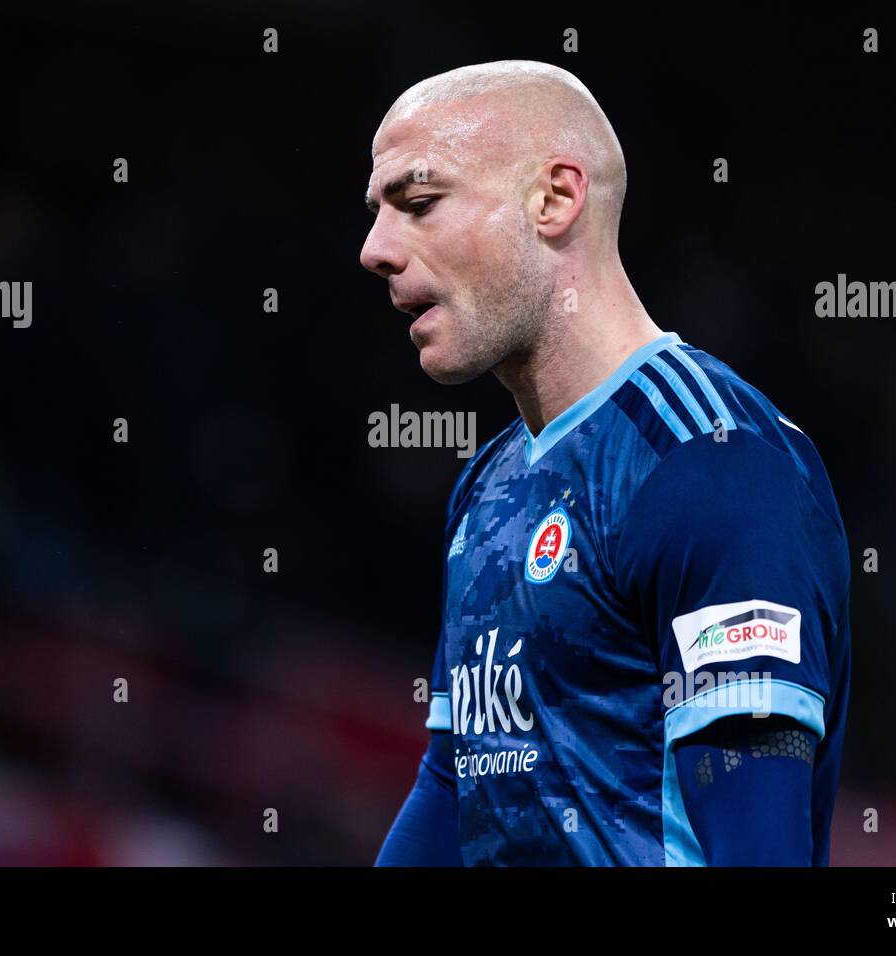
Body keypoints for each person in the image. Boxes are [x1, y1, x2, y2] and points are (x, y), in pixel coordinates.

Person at [360, 60, 850, 866]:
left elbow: (757, 842)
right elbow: (457, 783)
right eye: (377, 214)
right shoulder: (489, 485)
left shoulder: (709, 460)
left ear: (555, 199)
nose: (374, 249)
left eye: (417, 203)